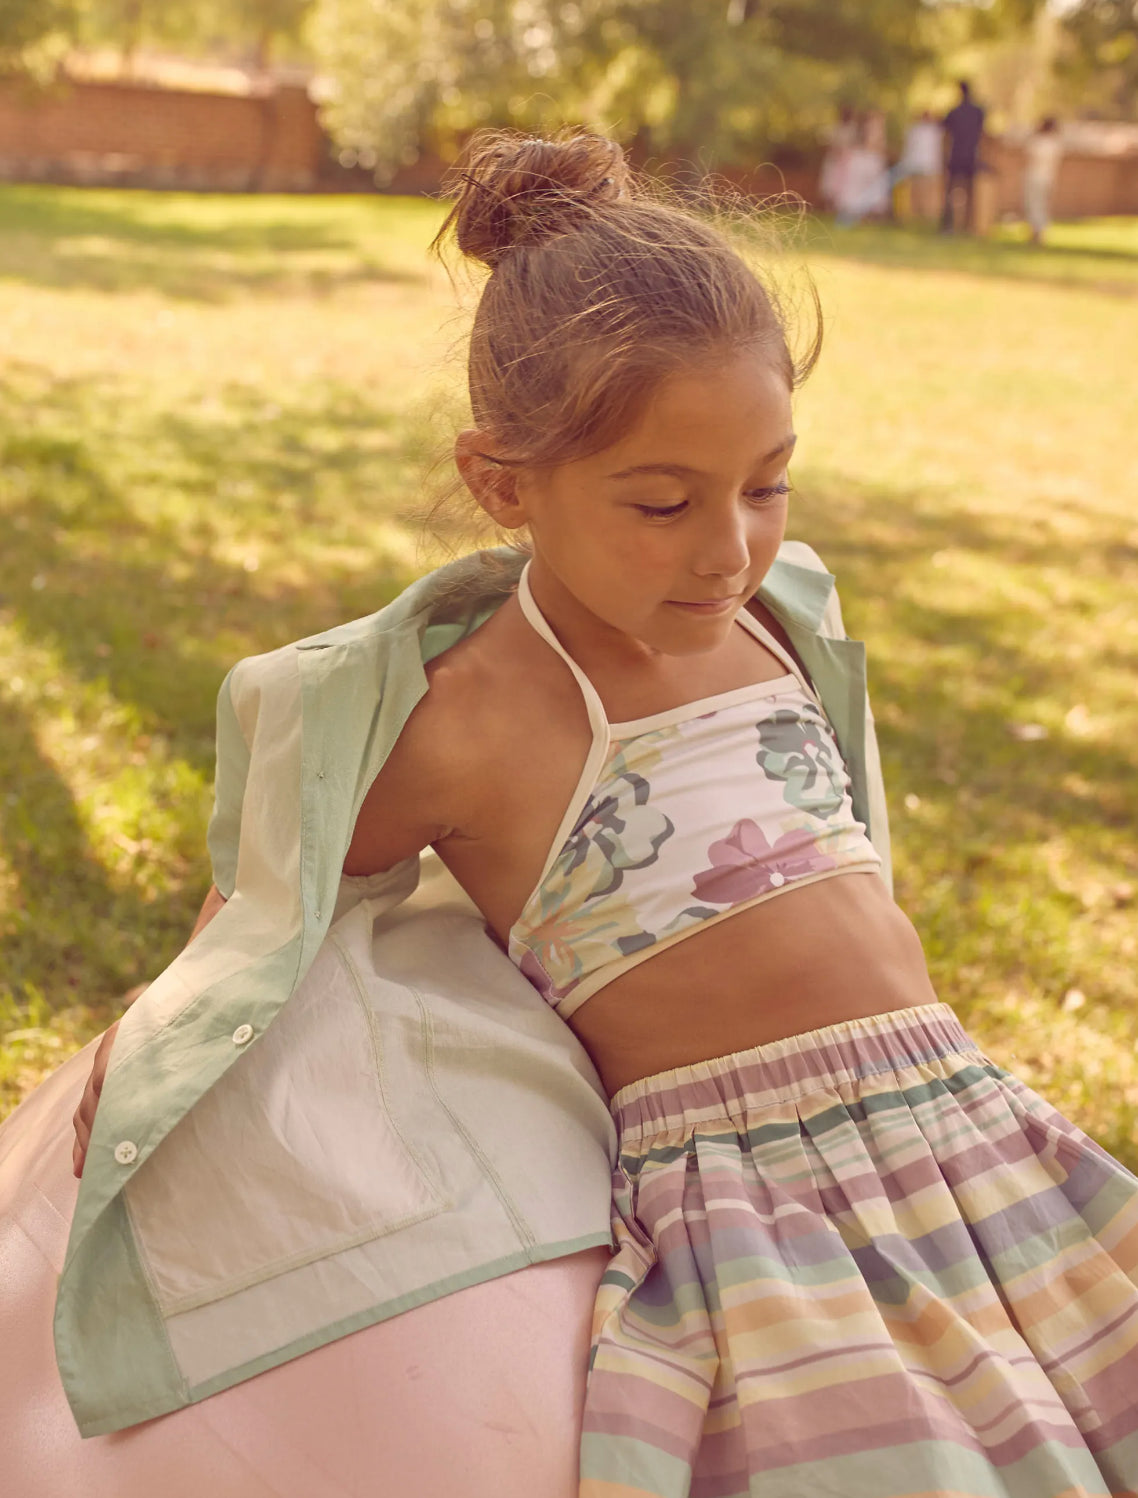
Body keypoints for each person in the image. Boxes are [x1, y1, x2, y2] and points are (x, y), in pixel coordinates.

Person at [25, 128, 1138, 1497]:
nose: (728, 547)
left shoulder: (780, 623)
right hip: (760, 1201)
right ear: (501, 482)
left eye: (767, 485)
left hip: (966, 1122)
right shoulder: (472, 720)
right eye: (663, 502)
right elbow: (280, 902)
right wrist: (169, 1036)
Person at [940, 80, 986, 232]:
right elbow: (982, 135)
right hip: (971, 156)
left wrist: (944, 156)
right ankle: (968, 224)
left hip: (957, 155)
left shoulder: (955, 112)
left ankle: (948, 225)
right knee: (970, 192)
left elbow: (945, 135)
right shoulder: (978, 112)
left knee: (951, 191)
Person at [893, 108, 943, 221]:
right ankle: (921, 211)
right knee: (922, 190)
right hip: (925, 164)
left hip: (920, 164)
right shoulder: (932, 131)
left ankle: (922, 211)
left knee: (920, 189)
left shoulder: (915, 130)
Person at [1024, 115, 1064, 244]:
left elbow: (1028, 155)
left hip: (1035, 177)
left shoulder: (1038, 142)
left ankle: (1036, 232)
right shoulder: (1056, 143)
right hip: (1048, 178)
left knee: (1034, 204)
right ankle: (1039, 231)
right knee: (1042, 205)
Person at [818, 104, 856, 215]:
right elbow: (827, 144)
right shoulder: (834, 128)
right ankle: (829, 208)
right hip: (834, 161)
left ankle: (840, 207)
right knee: (830, 184)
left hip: (846, 162)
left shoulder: (853, 129)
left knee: (843, 185)